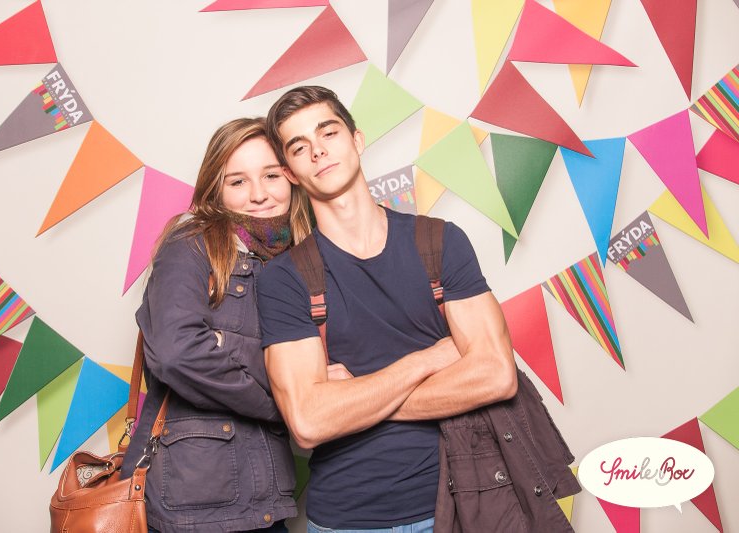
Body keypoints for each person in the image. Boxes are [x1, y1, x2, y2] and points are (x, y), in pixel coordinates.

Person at [256, 87, 519, 532]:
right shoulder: (284, 279)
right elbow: (309, 422)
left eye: (328, 132)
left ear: (356, 140)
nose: (318, 151)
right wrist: (428, 359)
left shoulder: (440, 241)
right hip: (350, 519)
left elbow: (496, 375)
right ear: (291, 173)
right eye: (299, 148)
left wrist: (355, 399)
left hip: (465, 501)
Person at [121, 117, 311, 532]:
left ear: (292, 178)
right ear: (216, 189)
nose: (258, 194)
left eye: (271, 175)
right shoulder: (191, 244)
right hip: (192, 507)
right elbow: (175, 353)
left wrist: (227, 343)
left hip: (268, 504)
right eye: (237, 181)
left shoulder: (300, 261)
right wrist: (281, 405)